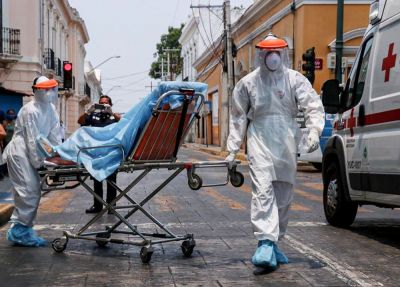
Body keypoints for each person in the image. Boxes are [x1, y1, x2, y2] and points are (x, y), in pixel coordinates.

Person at [225, 33, 324, 273]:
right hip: (259, 137)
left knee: (284, 192)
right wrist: (233, 148)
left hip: (287, 138)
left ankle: (275, 240)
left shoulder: (295, 80)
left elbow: (313, 105)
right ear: (261, 55)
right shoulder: (248, 83)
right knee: (263, 189)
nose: (272, 57)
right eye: (268, 53)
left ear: (283, 54)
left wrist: (313, 131)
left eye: (277, 52)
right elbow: (238, 116)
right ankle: (265, 243)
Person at [3, 76, 61, 247]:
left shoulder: (51, 109)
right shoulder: (30, 110)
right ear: (36, 91)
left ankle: (22, 228)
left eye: (51, 89)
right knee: (28, 190)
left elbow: (54, 136)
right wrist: (39, 162)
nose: (49, 93)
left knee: (31, 191)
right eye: (45, 89)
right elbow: (31, 139)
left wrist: (60, 155)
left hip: (33, 153)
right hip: (21, 153)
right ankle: (19, 231)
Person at [77, 95, 121, 213]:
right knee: (97, 180)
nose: (103, 106)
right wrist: (88, 111)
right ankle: (98, 206)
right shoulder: (94, 116)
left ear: (110, 105)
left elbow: (123, 123)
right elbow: (80, 121)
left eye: (105, 103)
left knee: (111, 181)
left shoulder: (114, 116)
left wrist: (111, 112)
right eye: (100, 103)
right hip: (96, 152)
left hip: (110, 152)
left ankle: (112, 206)